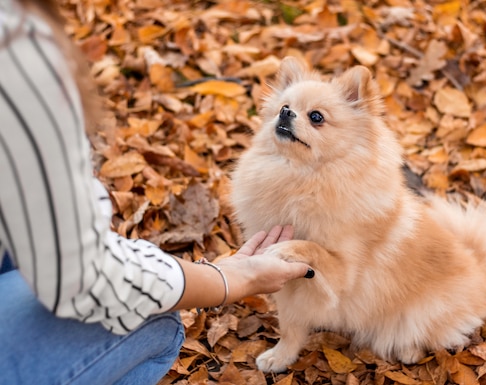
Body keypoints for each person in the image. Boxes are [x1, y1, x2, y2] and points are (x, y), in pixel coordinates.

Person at [0, 0, 314, 383]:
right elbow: (85, 275)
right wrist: (227, 279)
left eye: (316, 117)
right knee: (158, 321)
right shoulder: (14, 48)